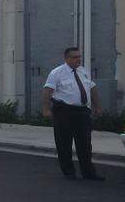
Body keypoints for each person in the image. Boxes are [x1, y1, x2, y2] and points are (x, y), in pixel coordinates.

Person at [42, 47, 105, 181]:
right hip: (64, 111)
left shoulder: (83, 71)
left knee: (85, 144)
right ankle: (69, 172)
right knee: (64, 143)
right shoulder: (57, 73)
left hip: (82, 112)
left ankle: (88, 173)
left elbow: (92, 89)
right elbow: (48, 91)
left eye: (79, 56)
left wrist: (97, 106)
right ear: (67, 59)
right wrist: (46, 109)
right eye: (75, 57)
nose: (79, 59)